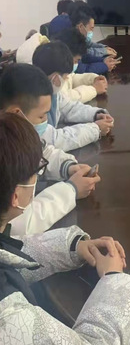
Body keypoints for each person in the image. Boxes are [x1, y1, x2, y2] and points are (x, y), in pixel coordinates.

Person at [0, 112, 130, 345]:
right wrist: (114, 280)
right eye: (38, 170)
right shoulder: (7, 315)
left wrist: (72, 247)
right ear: (16, 196)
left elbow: (7, 253)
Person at [0, 66, 100, 235]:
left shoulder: (12, 132)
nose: (46, 121)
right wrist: (71, 190)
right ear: (16, 113)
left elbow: (41, 151)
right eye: (41, 116)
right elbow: (16, 223)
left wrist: (67, 167)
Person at [32, 43, 114, 152]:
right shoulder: (31, 101)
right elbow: (54, 140)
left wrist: (96, 114)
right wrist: (96, 129)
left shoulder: (50, 91)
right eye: (66, 77)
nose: (66, 80)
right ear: (56, 78)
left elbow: (68, 107)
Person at [53, 28, 108, 102]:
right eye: (76, 60)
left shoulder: (61, 66)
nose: (76, 64)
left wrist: (93, 79)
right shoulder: (53, 75)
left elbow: (72, 78)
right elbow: (66, 99)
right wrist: (94, 89)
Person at [70, 4, 120, 74]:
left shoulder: (77, 37)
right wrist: (105, 66)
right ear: (81, 26)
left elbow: (85, 57)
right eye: (91, 28)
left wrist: (103, 60)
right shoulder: (70, 43)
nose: (92, 32)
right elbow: (83, 70)